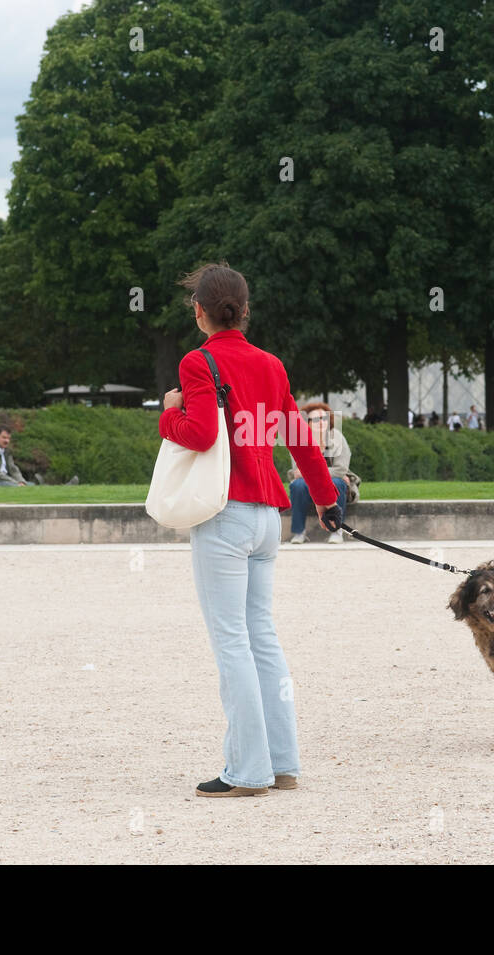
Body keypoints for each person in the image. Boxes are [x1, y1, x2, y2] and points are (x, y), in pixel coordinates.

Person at [159, 262, 338, 798]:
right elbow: (300, 438)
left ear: (199, 313)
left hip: (224, 514)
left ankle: (247, 770)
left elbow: (198, 432)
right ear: (246, 310)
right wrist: (327, 500)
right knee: (261, 637)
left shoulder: (198, 361)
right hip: (268, 519)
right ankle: (281, 763)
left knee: (231, 642)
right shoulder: (272, 365)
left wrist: (169, 413)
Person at [286, 402, 355, 544]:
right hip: (307, 484)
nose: (321, 422)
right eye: (316, 420)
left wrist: (311, 472)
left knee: (336, 482)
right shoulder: (299, 439)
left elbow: (341, 469)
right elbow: (297, 472)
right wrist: (322, 473)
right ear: (307, 422)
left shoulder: (337, 437)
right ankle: (299, 532)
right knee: (297, 485)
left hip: (333, 482)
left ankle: (336, 530)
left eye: (324, 418)